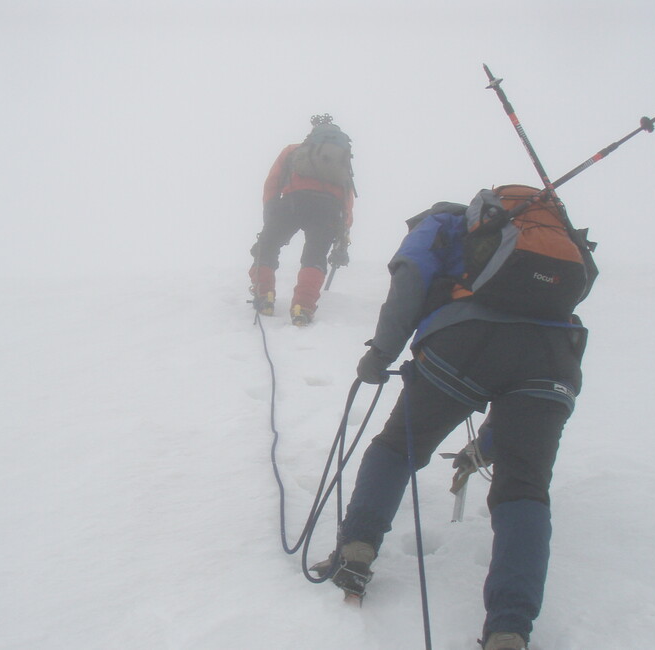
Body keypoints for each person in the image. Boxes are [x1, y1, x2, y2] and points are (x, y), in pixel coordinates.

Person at [327, 186, 591, 650]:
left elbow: (411, 277)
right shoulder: (553, 236)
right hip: (554, 360)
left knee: (396, 446)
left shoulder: (444, 223)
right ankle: (509, 630)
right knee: (525, 488)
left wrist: (381, 354)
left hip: (462, 345)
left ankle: (356, 552)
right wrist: (485, 448)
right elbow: (519, 372)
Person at [249, 114, 355, 326]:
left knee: (267, 246)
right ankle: (303, 307)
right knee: (314, 257)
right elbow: (347, 198)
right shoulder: (342, 160)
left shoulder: (293, 151)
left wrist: (271, 212)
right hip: (329, 210)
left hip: (293, 203)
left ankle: (264, 295)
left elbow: (272, 182)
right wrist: (343, 234)